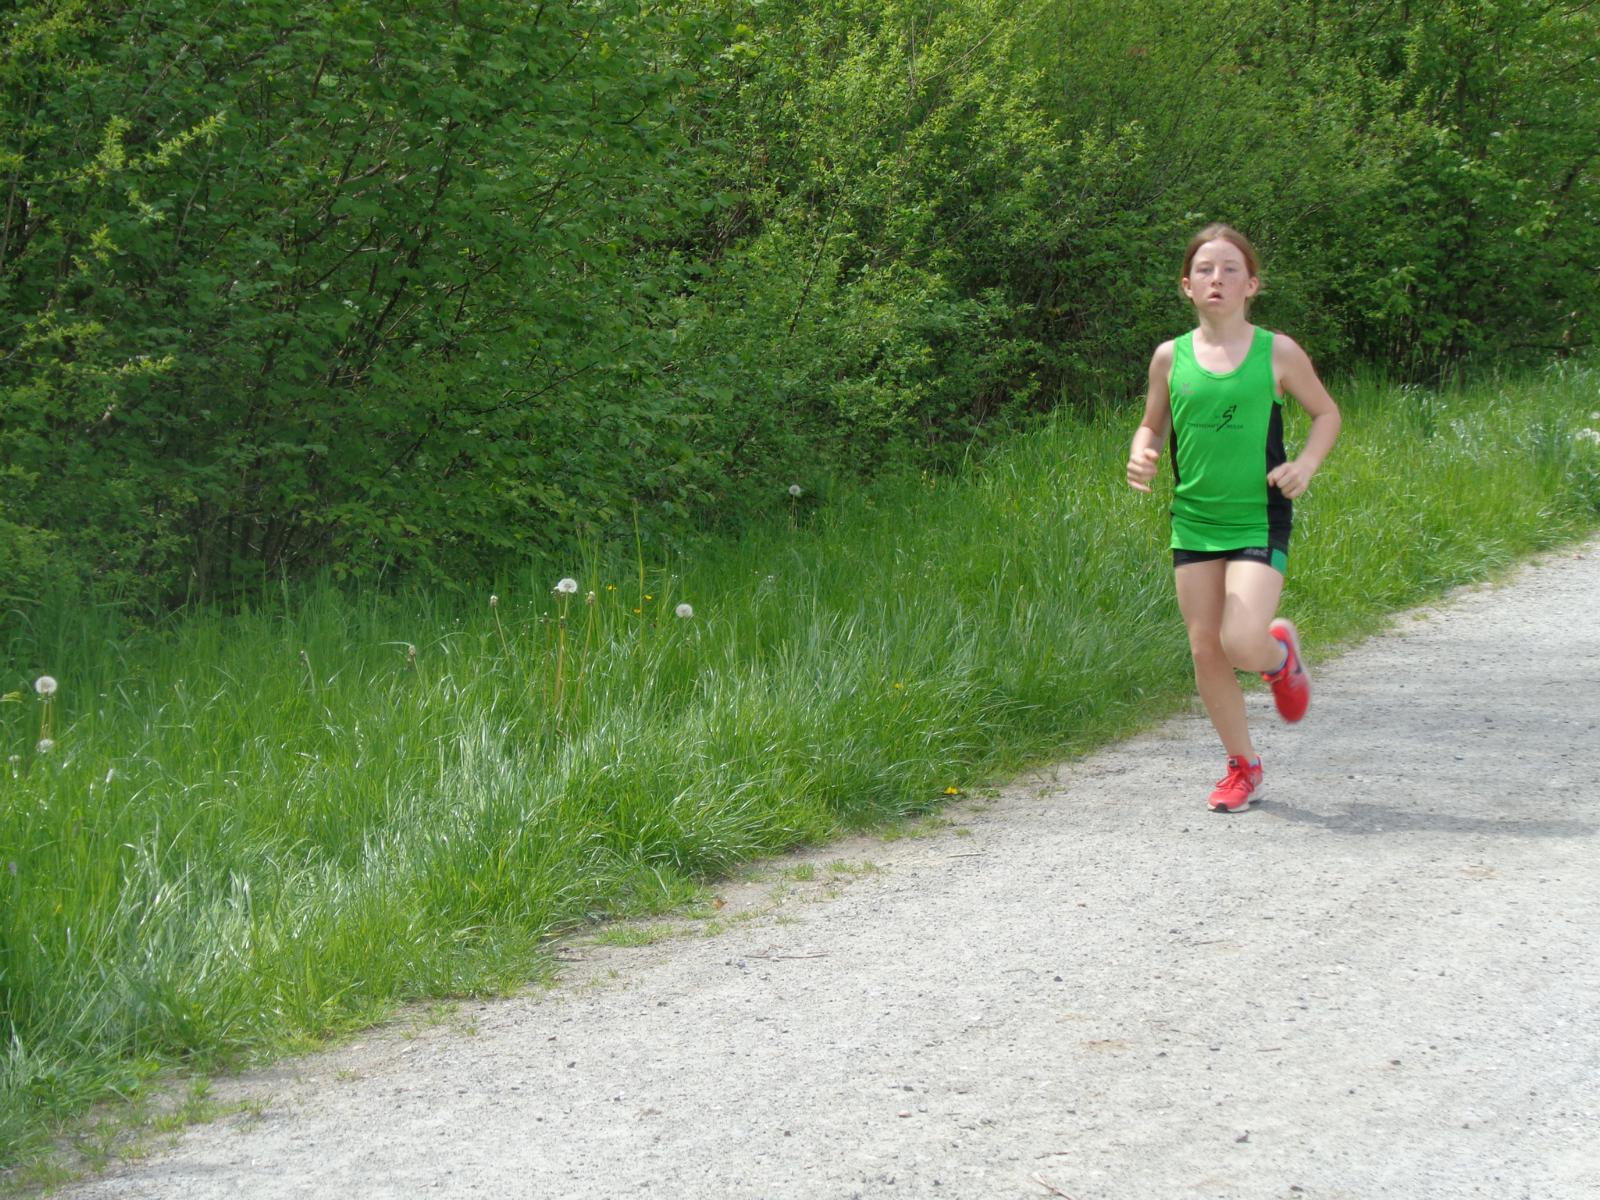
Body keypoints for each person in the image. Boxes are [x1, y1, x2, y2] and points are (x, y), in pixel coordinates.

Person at [1126, 223, 1341, 812]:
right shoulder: (1169, 357)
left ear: (1252, 285)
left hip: (1258, 517)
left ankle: (1280, 658)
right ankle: (1243, 767)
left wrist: (1305, 464)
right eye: (1204, 269)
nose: (1216, 278)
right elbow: (1152, 424)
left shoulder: (1278, 353)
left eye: (1229, 269)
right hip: (1194, 519)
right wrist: (1141, 452)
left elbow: (1326, 414)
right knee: (1206, 651)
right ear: (1186, 286)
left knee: (1242, 642)